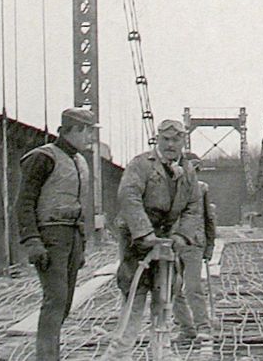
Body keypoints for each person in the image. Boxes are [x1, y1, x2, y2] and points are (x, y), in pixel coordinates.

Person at [101, 119, 202, 360]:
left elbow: (194, 206)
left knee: (164, 299)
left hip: (168, 242)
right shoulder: (141, 165)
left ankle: (162, 353)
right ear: (158, 139)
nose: (170, 144)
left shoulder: (187, 171)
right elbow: (129, 197)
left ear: (183, 142)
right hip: (138, 243)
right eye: (166, 139)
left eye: (176, 140)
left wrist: (181, 235)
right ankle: (119, 355)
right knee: (134, 298)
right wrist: (145, 234)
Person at [16, 107, 97, 360]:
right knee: (55, 300)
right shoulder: (43, 158)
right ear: (73, 130)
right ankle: (47, 357)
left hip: (71, 236)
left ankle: (52, 354)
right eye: (87, 132)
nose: (90, 138)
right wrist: (32, 241)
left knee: (65, 303)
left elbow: (79, 205)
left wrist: (80, 243)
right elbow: (25, 202)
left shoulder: (79, 160)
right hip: (51, 236)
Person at [172, 178, 216, 341]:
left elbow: (209, 218)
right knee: (172, 288)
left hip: (193, 243)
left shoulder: (200, 189)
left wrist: (210, 245)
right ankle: (186, 328)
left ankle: (203, 327)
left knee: (192, 287)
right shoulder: (165, 188)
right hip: (172, 244)